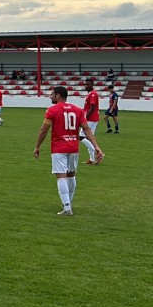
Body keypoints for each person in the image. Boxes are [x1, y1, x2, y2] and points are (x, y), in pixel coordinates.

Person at [33, 86, 104, 216]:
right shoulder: (77, 110)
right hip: (73, 147)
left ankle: (67, 207)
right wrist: (96, 146)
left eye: (52, 94)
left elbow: (44, 130)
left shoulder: (52, 110)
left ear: (58, 96)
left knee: (61, 176)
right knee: (71, 175)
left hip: (59, 148)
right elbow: (87, 129)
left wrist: (37, 146)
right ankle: (68, 203)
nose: (50, 97)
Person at [80, 81, 101, 165]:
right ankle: (92, 159)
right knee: (89, 138)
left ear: (92, 85)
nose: (86, 86)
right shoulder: (91, 93)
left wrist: (86, 117)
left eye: (88, 84)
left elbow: (92, 106)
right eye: (85, 84)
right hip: (92, 118)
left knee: (81, 136)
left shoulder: (93, 94)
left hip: (91, 119)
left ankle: (98, 152)